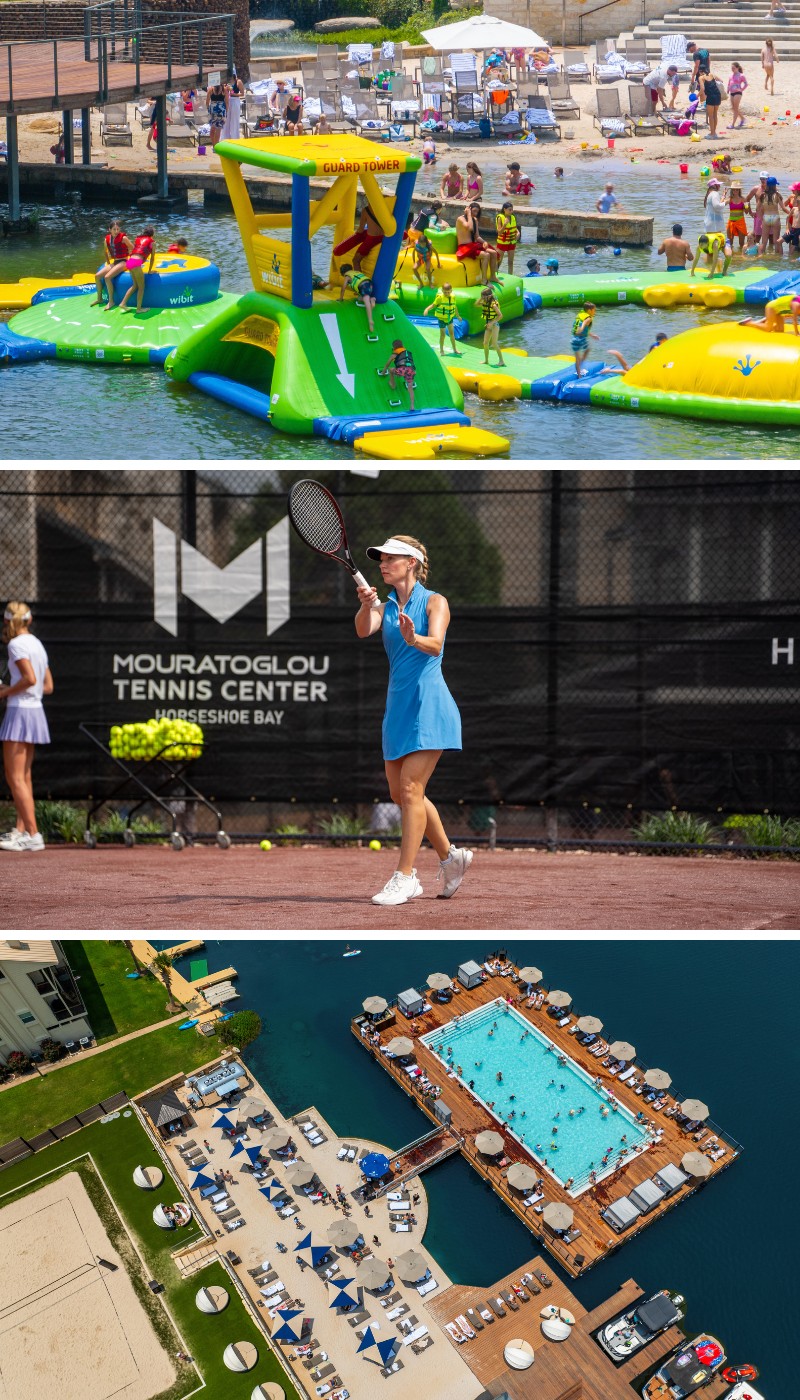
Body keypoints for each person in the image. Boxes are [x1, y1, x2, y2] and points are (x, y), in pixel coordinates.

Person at [355, 537, 470, 907]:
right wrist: (366, 605)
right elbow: (363, 629)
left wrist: (413, 636)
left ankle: (405, 877)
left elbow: (436, 644)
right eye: (381, 559)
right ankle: (451, 857)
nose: (383, 564)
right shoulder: (384, 605)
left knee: (409, 791)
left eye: (391, 558)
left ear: (412, 563)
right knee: (402, 795)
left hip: (429, 705)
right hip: (398, 709)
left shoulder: (436, 601)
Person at [0, 602, 53, 852]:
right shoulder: (37, 644)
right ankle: (22, 832)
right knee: (24, 776)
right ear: (29, 620)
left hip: (20, 711)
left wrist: (5, 692)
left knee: (14, 777)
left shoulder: (16, 644)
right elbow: (46, 685)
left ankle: (33, 833)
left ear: (8, 621)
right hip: (34, 711)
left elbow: (30, 679)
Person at [456, 204, 500, 285]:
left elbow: (477, 236)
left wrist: (484, 242)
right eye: (474, 211)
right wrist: (469, 214)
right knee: (486, 255)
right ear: (469, 209)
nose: (475, 213)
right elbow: (469, 228)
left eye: (477, 212)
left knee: (494, 253)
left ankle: (493, 276)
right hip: (464, 247)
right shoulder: (460, 219)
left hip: (473, 245)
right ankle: (484, 280)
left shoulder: (474, 220)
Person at [334, 203, 384, 269]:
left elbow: (360, 229)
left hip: (372, 239)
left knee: (355, 260)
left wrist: (356, 236)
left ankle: (360, 279)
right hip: (383, 236)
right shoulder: (384, 209)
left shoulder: (366, 210)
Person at [92, 220, 131, 306]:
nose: (116, 231)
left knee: (107, 277)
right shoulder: (107, 240)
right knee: (97, 276)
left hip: (124, 262)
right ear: (110, 229)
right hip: (115, 262)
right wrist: (109, 263)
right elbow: (105, 252)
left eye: (118, 229)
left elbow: (133, 248)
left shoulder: (123, 238)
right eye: (114, 229)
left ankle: (111, 301)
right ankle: (99, 299)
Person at [118, 226, 156, 311]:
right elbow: (152, 258)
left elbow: (136, 251)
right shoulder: (153, 243)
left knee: (135, 285)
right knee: (141, 287)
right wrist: (150, 271)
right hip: (136, 262)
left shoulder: (138, 239)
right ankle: (139, 309)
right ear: (152, 234)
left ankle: (123, 303)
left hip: (130, 261)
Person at [338, 264, 377, 335]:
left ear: (343, 273)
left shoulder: (347, 276)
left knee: (366, 302)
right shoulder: (356, 272)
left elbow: (343, 288)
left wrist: (341, 298)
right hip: (369, 283)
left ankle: (370, 320)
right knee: (360, 298)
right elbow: (358, 281)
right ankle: (372, 299)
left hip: (363, 285)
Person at [382, 341, 416, 411]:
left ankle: (392, 384)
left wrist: (383, 371)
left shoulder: (394, 354)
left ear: (394, 347)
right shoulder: (407, 352)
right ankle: (412, 405)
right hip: (411, 370)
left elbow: (387, 364)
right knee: (410, 388)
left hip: (402, 370)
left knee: (391, 370)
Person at [479, 285, 505, 366]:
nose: (483, 298)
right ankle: (486, 360)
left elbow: (500, 315)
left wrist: (492, 322)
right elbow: (476, 304)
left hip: (494, 325)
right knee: (485, 343)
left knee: (494, 343)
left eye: (484, 297)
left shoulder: (493, 305)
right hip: (488, 324)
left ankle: (501, 361)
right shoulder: (485, 302)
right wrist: (482, 298)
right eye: (482, 297)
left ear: (489, 296)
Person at [760, 175, 786, 253]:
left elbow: (759, 209)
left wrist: (762, 219)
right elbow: (784, 208)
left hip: (766, 217)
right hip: (775, 217)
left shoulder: (762, 195)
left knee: (764, 242)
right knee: (776, 241)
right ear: (774, 185)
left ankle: (760, 256)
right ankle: (778, 259)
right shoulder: (777, 195)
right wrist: (791, 213)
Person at [495, 202, 520, 274]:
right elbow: (499, 232)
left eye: (512, 210)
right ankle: (495, 276)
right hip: (502, 242)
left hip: (512, 242)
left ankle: (510, 276)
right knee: (499, 261)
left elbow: (514, 228)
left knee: (511, 262)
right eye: (510, 210)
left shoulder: (513, 217)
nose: (511, 211)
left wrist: (518, 233)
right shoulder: (500, 217)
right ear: (504, 209)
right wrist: (505, 224)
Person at [221, 74, 246, 141]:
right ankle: (225, 138)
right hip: (227, 101)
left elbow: (242, 93)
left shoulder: (238, 82)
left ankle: (235, 138)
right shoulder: (226, 81)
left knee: (234, 120)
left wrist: (233, 94)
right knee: (226, 120)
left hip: (235, 101)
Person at [699, 70, 723, 137]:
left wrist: (696, 96)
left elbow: (702, 89)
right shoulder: (712, 74)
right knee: (715, 114)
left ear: (700, 72)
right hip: (718, 95)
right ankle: (714, 133)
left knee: (710, 116)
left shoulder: (701, 77)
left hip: (710, 96)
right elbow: (721, 81)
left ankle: (712, 134)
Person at [726, 181, 749, 249]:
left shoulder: (743, 199)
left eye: (737, 189)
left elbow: (746, 212)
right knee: (729, 244)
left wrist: (747, 206)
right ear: (732, 190)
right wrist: (724, 195)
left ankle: (741, 257)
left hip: (740, 222)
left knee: (741, 244)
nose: (735, 191)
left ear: (739, 190)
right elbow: (721, 205)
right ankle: (732, 258)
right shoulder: (730, 199)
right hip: (731, 222)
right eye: (734, 189)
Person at [727, 62, 748, 127]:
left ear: (737, 68)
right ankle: (743, 118)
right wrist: (728, 89)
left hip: (738, 93)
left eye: (734, 68)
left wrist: (741, 89)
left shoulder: (741, 75)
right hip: (731, 93)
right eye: (732, 68)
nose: (732, 69)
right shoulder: (731, 75)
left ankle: (733, 124)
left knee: (735, 108)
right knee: (733, 108)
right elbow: (729, 83)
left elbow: (746, 84)